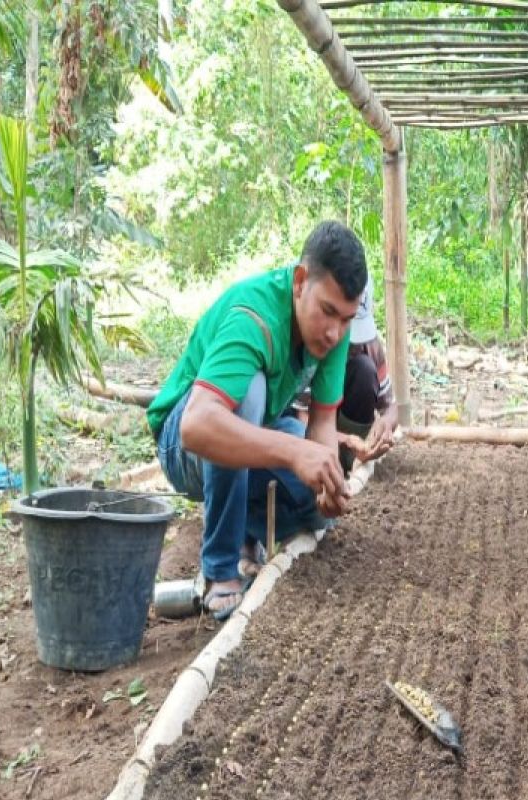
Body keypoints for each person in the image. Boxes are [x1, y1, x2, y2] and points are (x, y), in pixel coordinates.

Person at [148, 221, 366, 620]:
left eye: (347, 318)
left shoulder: (334, 332)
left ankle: (248, 531)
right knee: (247, 395)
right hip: (181, 443)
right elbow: (197, 426)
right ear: (301, 282)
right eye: (329, 312)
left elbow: (321, 425)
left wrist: (327, 487)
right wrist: (295, 451)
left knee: (313, 508)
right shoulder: (253, 317)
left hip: (252, 432)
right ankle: (220, 568)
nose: (335, 332)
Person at [291, 273, 397, 472]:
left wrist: (385, 423)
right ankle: (329, 461)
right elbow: (301, 420)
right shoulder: (317, 343)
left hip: (342, 426)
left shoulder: (369, 346)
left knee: (365, 370)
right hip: (310, 431)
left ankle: (347, 461)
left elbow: (391, 407)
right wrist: (345, 439)